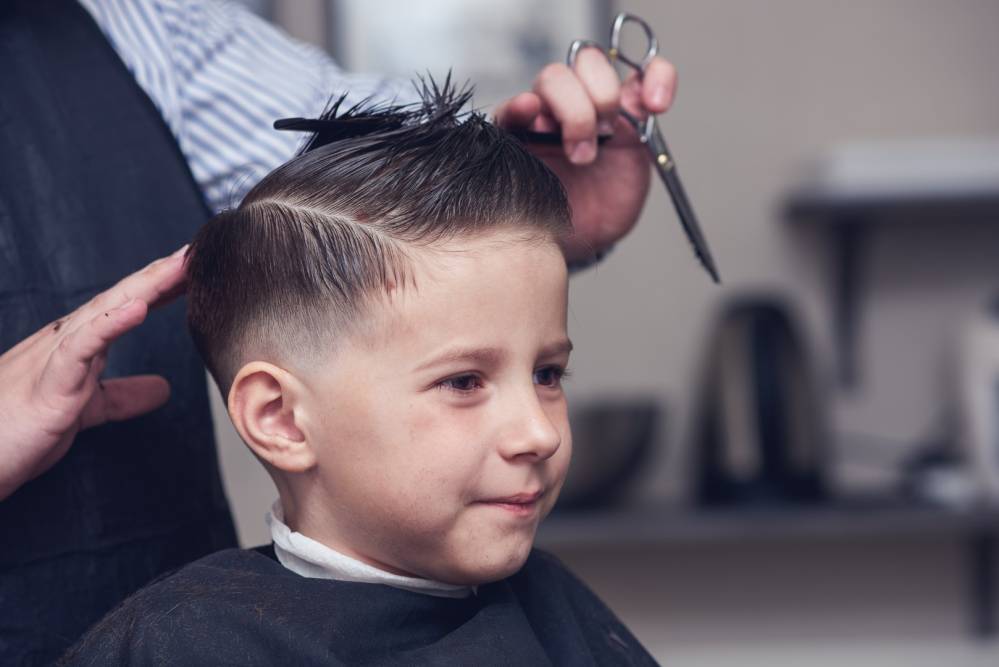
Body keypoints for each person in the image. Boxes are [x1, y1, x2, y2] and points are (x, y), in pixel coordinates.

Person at [0, 1, 674, 663]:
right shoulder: (189, 644)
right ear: (281, 416)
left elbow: (357, 202)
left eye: (547, 373)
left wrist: (515, 186)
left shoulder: (145, 22)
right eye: (464, 380)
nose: (541, 432)